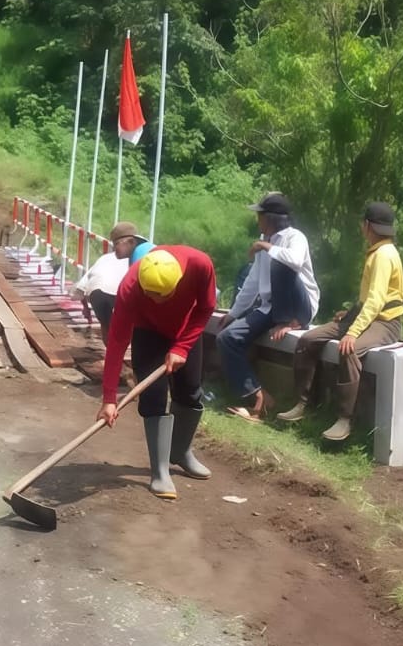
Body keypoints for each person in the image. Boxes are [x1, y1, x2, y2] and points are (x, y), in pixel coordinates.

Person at [279, 202, 403, 443]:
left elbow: (377, 300)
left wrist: (353, 332)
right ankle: (305, 403)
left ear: (367, 225)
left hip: (385, 323)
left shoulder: (383, 255)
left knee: (350, 350)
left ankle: (345, 419)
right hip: (365, 315)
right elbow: (368, 298)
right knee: (308, 340)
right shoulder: (378, 251)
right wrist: (349, 315)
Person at [97, 245, 217, 498]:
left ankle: (181, 452)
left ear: (179, 281)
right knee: (153, 396)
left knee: (190, 391)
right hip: (148, 331)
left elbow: (206, 308)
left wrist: (182, 347)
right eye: (149, 294)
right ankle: (160, 471)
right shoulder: (130, 287)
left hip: (185, 330)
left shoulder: (200, 264)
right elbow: (117, 342)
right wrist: (109, 399)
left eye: (162, 295)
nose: (155, 300)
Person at [217, 192, 318, 419]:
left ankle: (289, 322)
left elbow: (295, 261)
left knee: (282, 265)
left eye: (260, 216)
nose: (258, 221)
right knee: (226, 338)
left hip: (298, 308)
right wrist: (233, 314)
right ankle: (259, 397)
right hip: (271, 308)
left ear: (271, 218)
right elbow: (253, 283)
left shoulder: (295, 237)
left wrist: (265, 247)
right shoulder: (267, 243)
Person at [73, 221, 147, 340]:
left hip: (96, 291)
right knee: (126, 327)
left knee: (106, 324)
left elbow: (81, 288)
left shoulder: (105, 258)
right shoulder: (136, 259)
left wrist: (86, 309)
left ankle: (111, 352)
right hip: (118, 292)